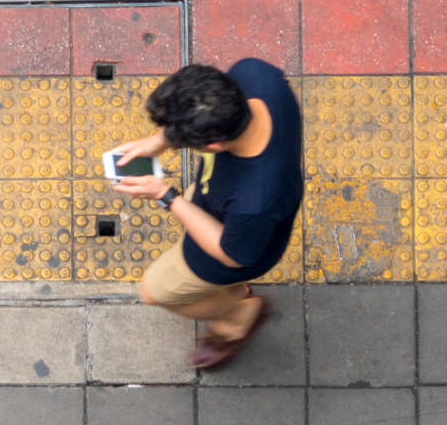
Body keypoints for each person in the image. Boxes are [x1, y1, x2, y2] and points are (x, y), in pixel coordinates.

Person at [108, 60, 304, 370]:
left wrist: (164, 195)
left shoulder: (257, 199)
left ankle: (238, 317)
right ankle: (232, 299)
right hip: (221, 208)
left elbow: (231, 254)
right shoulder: (254, 75)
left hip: (231, 247)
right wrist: (159, 143)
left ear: (213, 144)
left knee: (153, 291)